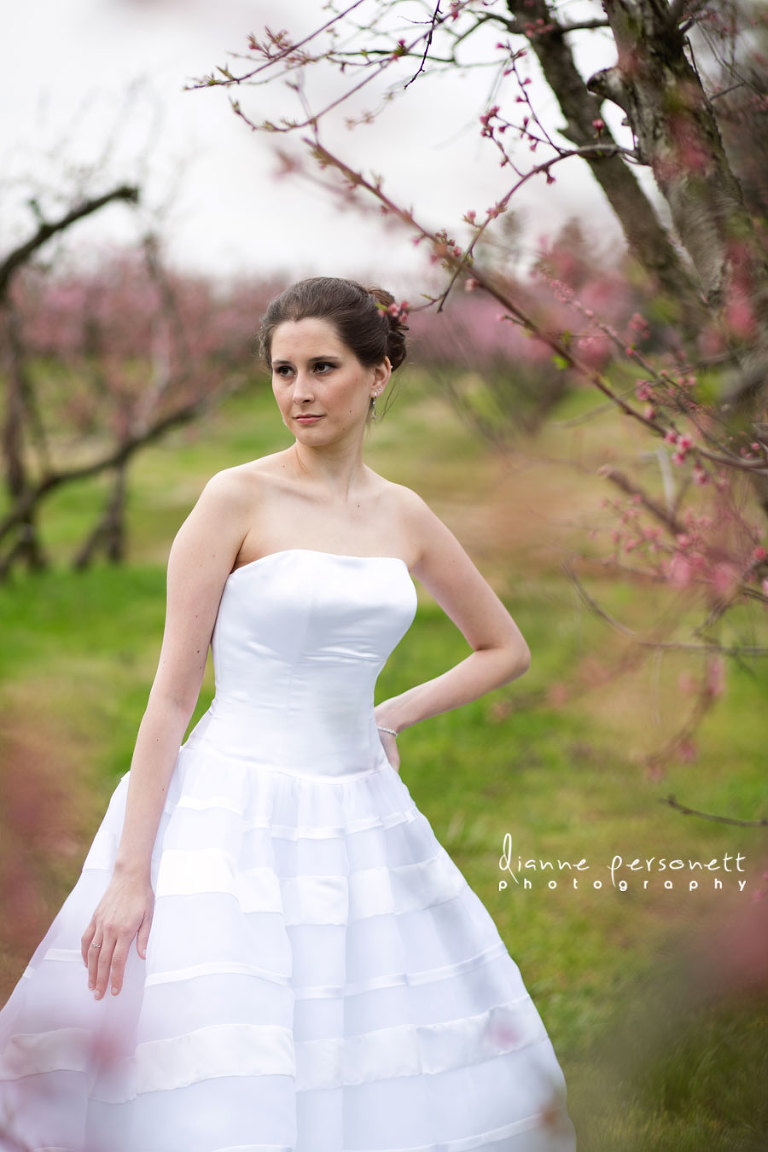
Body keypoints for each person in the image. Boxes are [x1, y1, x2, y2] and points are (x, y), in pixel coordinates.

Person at [0, 276, 577, 1151]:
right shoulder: (234, 499)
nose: (299, 392)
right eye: (283, 371)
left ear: (378, 374)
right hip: (231, 809)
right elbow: (170, 698)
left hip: (360, 811)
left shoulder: (405, 514)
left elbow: (504, 648)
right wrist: (130, 873)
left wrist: (389, 716)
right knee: (228, 1044)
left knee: (366, 1028)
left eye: (322, 368)